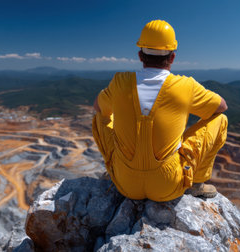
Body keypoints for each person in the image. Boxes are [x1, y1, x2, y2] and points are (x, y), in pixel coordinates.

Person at [92, 20, 228, 202]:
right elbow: (221, 107)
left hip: (125, 184)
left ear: (140, 55)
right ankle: (197, 183)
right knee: (220, 119)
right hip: (168, 185)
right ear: (172, 57)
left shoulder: (120, 82)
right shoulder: (185, 86)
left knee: (101, 118)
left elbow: (98, 107)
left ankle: (113, 168)